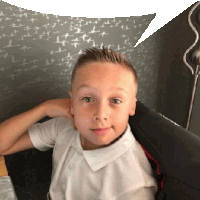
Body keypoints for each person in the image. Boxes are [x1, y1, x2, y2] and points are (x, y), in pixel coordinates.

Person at [0, 47, 157, 200]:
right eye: (87, 99)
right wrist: (44, 108)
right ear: (72, 102)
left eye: (115, 100)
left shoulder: (132, 187)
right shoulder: (66, 127)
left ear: (132, 106)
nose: (100, 115)